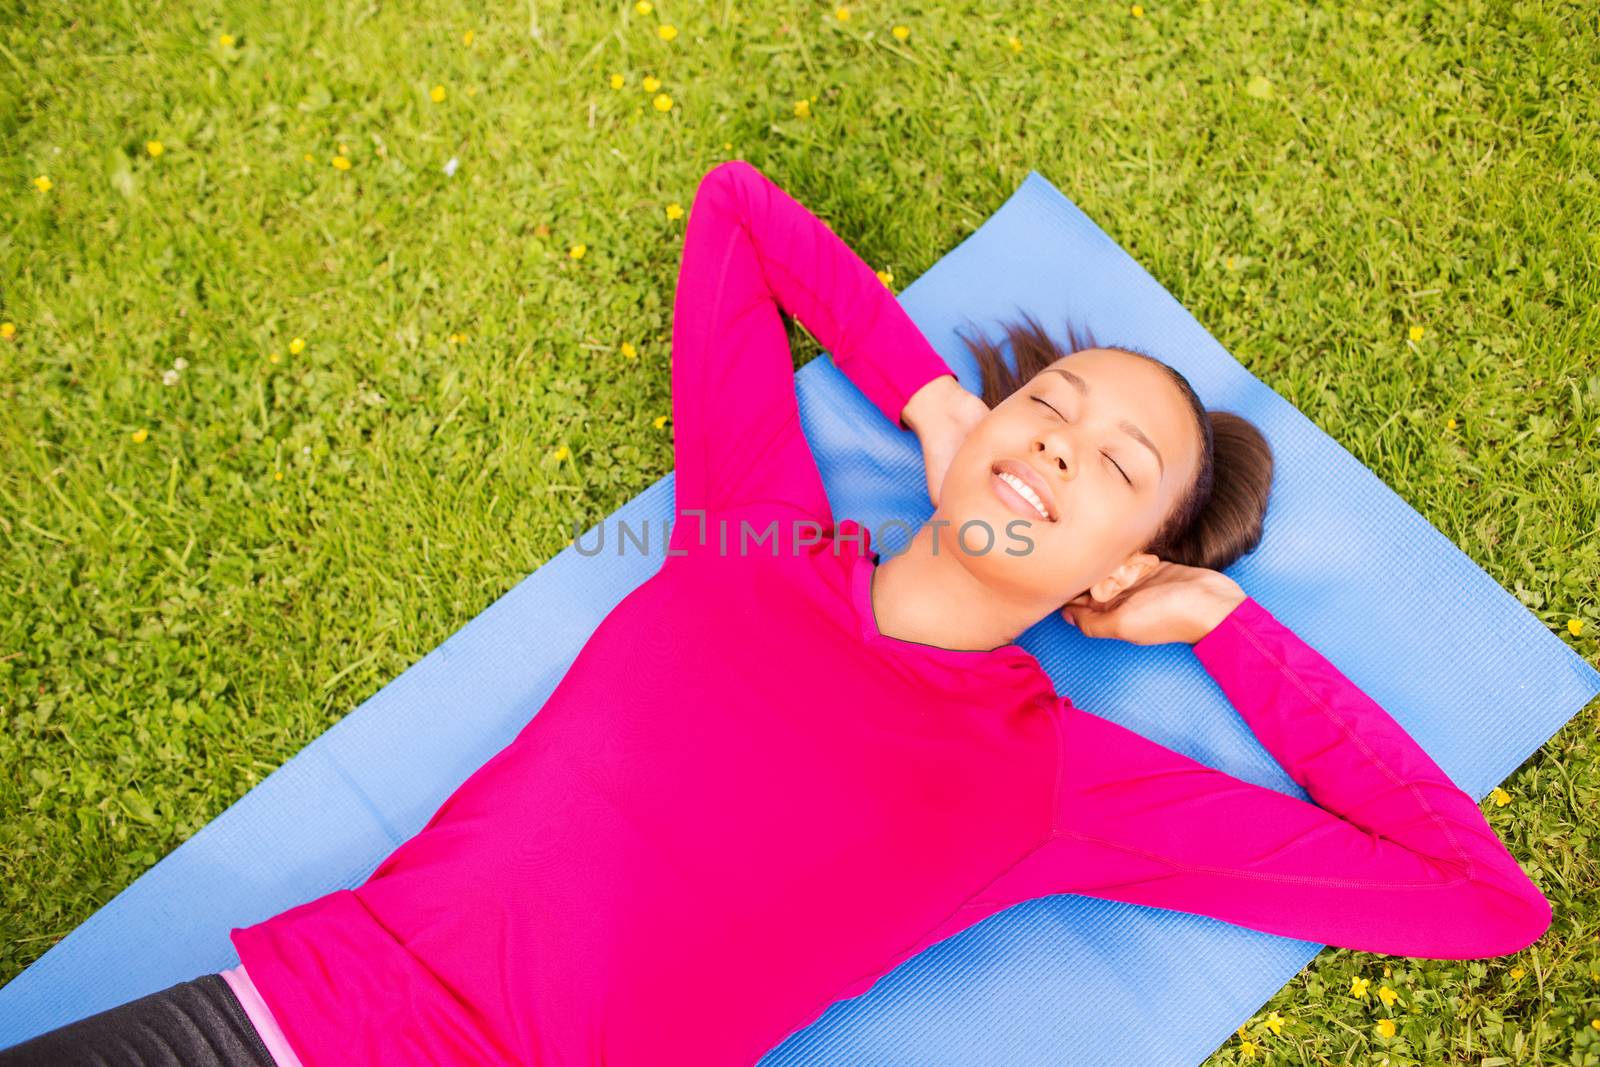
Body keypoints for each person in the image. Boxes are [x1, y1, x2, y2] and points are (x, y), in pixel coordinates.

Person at [1, 160, 1552, 1067]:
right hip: (281, 1022)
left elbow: (1481, 905)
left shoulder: (1060, 786)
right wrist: (936, 400)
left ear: (1113, 573)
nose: (1060, 441)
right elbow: (737, 211)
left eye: (1113, 469)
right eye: (1054, 408)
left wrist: (1221, 629)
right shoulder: (752, 534)